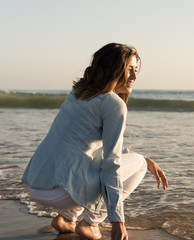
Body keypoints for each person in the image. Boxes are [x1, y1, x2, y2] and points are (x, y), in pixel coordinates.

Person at [22, 43, 168, 240]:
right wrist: (118, 221)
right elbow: (112, 164)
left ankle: (66, 218)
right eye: (129, 70)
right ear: (113, 70)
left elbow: (96, 146)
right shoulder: (113, 104)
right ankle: (91, 223)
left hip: (38, 185)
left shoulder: (78, 92)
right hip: (62, 191)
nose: (134, 77)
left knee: (85, 161)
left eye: (136, 70)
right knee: (140, 164)